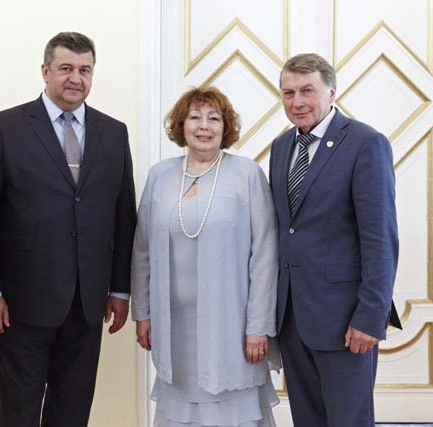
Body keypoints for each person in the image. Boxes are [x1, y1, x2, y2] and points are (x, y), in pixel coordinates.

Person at [0, 31, 136, 426]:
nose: (75, 78)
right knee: (20, 411)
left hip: (88, 302)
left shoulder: (114, 132)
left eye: (85, 70)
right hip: (20, 302)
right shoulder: (4, 128)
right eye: (65, 68)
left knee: (73, 410)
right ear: (45, 72)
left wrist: (119, 289)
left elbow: (123, 216)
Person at [132, 86, 280, 427]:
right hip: (173, 324)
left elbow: (265, 254)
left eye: (214, 118)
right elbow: (142, 250)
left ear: (225, 127)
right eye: (195, 117)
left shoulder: (246, 174)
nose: (204, 126)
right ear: (181, 125)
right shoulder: (160, 175)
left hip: (232, 322)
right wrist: (143, 314)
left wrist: (258, 326)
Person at [269, 53, 401, 427]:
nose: (297, 102)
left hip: (346, 321)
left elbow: (380, 240)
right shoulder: (281, 147)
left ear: (331, 91)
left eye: (307, 91)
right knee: (307, 420)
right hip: (293, 318)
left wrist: (370, 318)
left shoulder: (366, 143)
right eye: (288, 93)